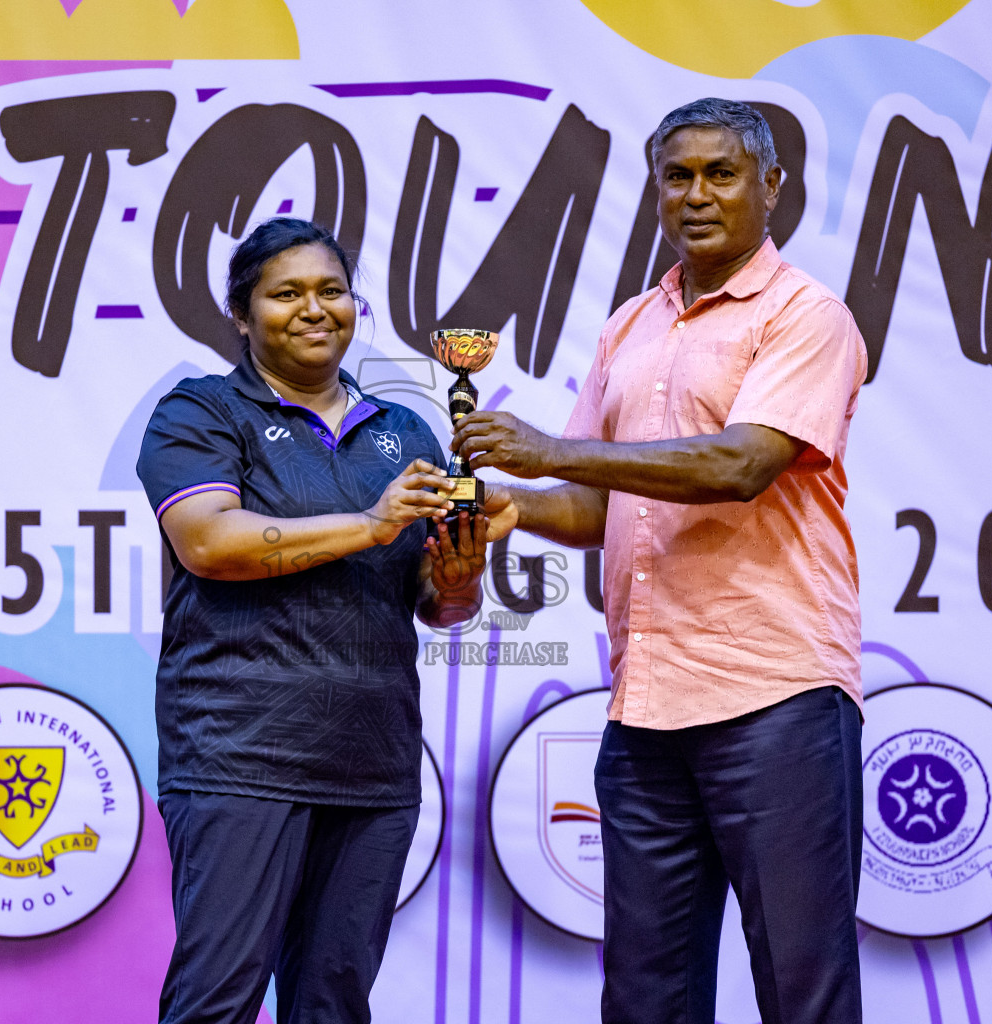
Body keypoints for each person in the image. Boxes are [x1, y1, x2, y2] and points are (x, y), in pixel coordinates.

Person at [453, 99, 868, 1024]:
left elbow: (740, 464)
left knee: (803, 990)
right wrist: (502, 503)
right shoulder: (631, 325)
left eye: (721, 173)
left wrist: (550, 453)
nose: (697, 194)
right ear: (654, 195)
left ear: (772, 186)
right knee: (645, 998)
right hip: (644, 708)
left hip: (776, 699)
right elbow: (597, 507)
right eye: (676, 177)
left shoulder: (808, 316)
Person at [135, 217, 488, 1024]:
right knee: (215, 1002)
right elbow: (210, 543)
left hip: (373, 764)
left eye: (331, 291)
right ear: (241, 312)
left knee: (333, 1004)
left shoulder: (407, 433)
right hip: (239, 756)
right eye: (285, 293)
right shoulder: (201, 411)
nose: (313, 308)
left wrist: (460, 579)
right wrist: (370, 522)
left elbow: (437, 604)